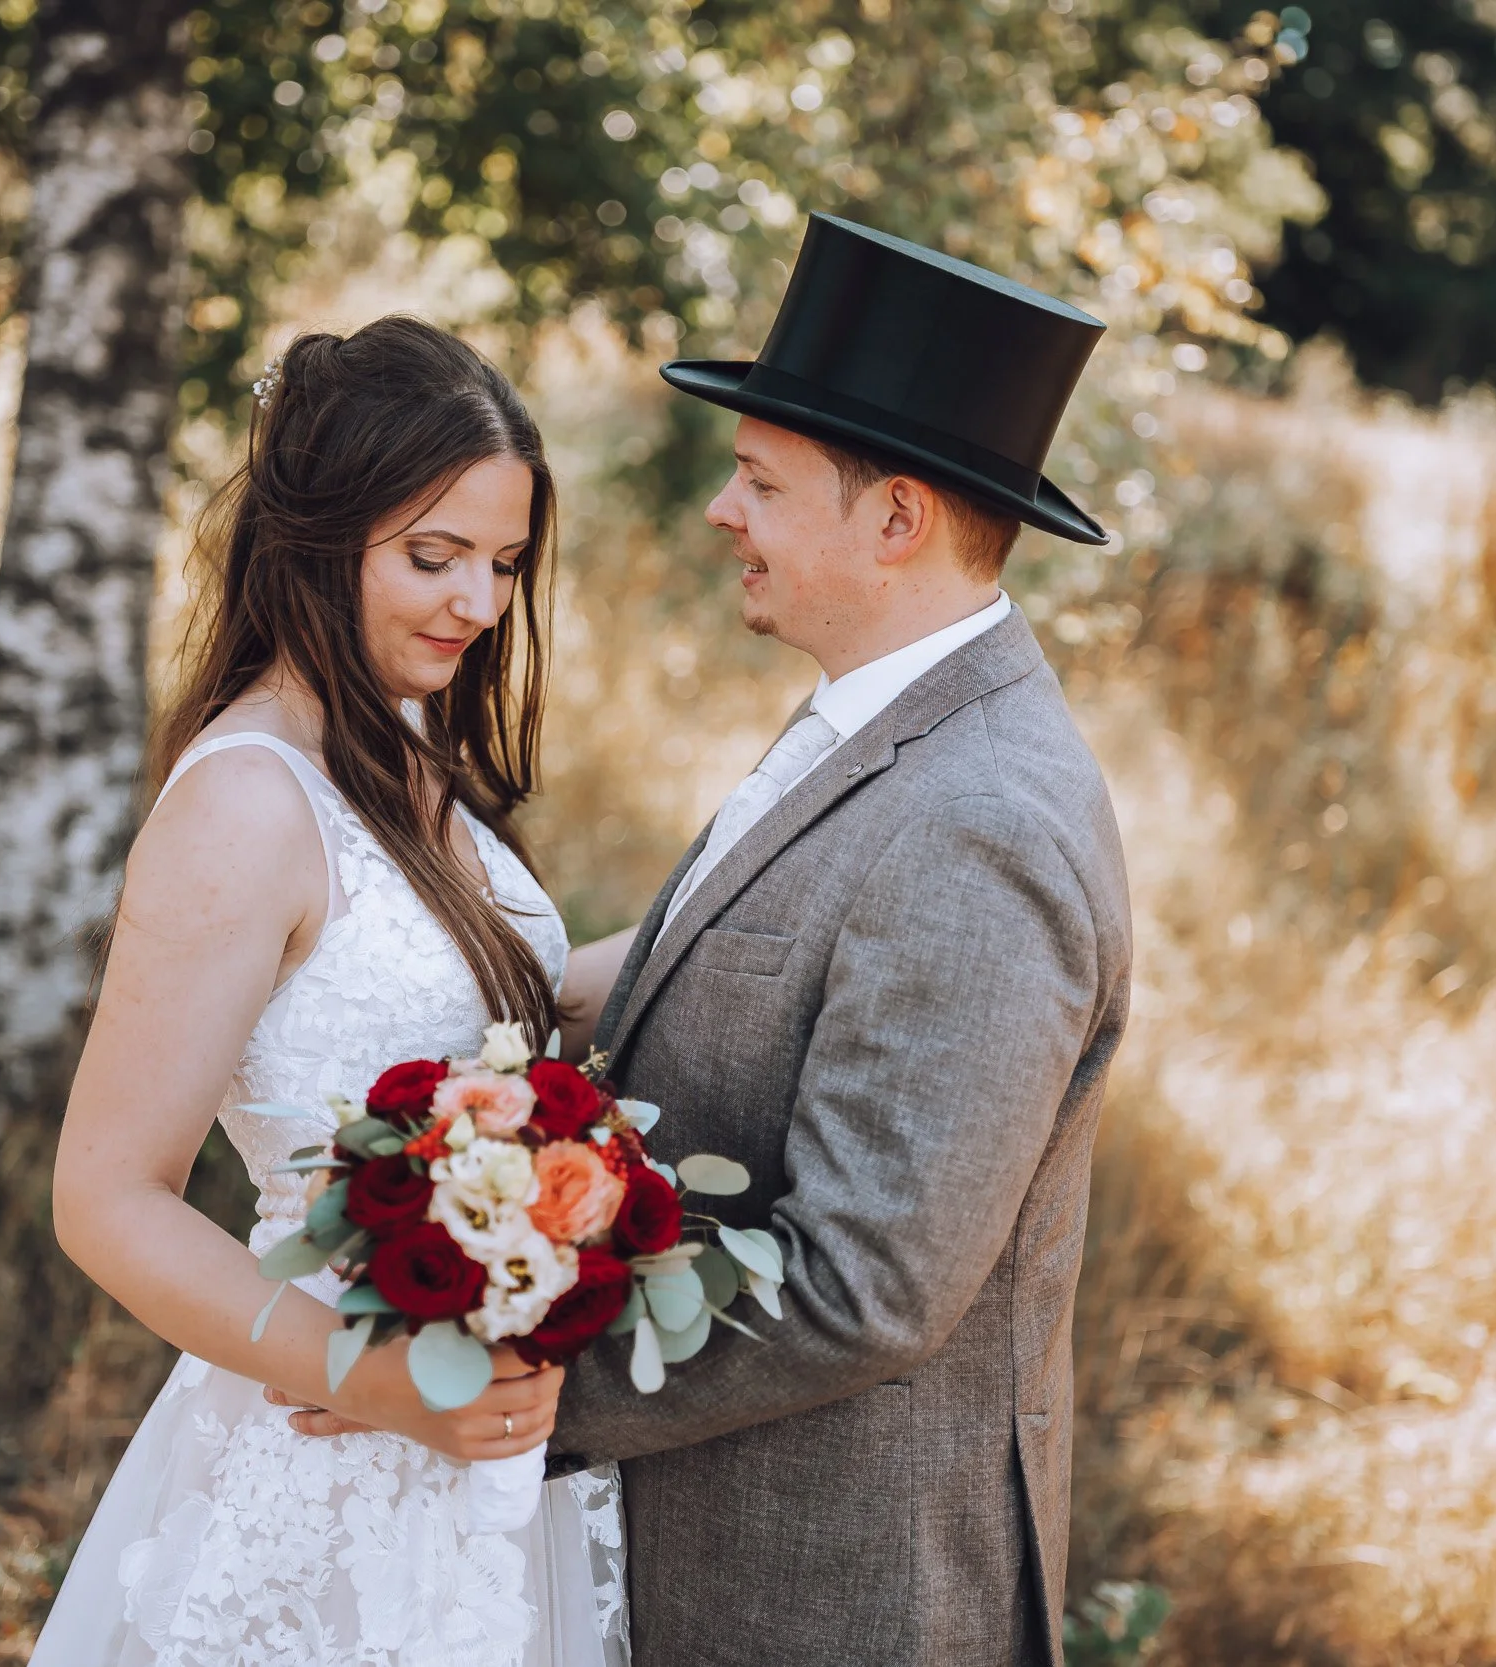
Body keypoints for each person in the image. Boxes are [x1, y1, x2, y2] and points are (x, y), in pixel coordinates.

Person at [286, 215, 1134, 1665]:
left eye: (758, 479)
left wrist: (513, 1379)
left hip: (831, 1596)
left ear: (896, 520)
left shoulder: (981, 820)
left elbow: (869, 1283)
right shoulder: (870, 720)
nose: (719, 513)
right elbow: (725, 955)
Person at [34, 316, 629, 1667]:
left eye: (503, 563)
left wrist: (742, 923)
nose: (477, 604)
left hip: (472, 1460)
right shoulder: (247, 802)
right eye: (433, 557)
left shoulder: (399, 747)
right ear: (315, 536)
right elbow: (107, 1195)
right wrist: (385, 1382)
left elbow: (509, 1015)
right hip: (333, 1445)